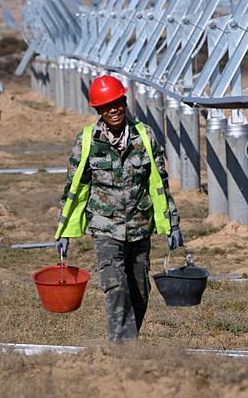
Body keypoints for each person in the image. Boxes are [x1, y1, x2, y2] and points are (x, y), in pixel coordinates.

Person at [55, 75, 183, 342]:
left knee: (139, 290)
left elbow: (159, 183)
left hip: (139, 227)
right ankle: (121, 351)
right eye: (105, 106)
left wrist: (172, 224)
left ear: (124, 102)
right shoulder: (87, 140)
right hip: (105, 227)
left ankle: (130, 342)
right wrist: (64, 230)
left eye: (116, 103)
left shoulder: (145, 137)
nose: (112, 109)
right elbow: (74, 187)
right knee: (115, 288)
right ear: (98, 110)